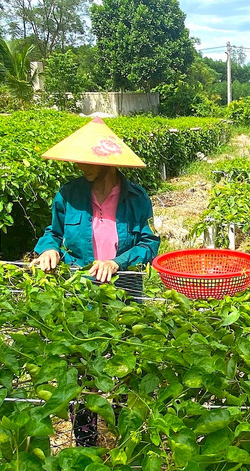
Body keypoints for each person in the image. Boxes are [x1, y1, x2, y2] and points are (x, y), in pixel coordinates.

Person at [32, 117, 160, 446]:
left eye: (88, 160)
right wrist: (49, 250)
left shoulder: (136, 198)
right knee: (81, 363)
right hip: (80, 291)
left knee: (124, 360)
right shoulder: (68, 195)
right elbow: (52, 233)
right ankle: (86, 441)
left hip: (124, 291)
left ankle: (121, 433)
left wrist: (117, 262)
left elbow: (149, 243)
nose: (81, 166)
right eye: (79, 160)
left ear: (108, 163)